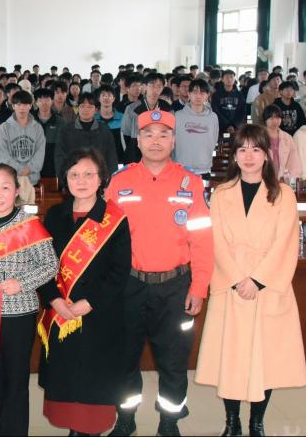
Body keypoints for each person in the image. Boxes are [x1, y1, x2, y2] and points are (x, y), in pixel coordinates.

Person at [194, 125, 306, 437]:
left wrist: (257, 280)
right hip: (230, 285)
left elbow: (286, 243)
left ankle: (257, 421)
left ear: (267, 155)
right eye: (242, 149)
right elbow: (214, 241)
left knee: (265, 358)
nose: (248, 156)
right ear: (234, 155)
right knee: (230, 356)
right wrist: (235, 278)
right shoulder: (221, 194)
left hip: (267, 286)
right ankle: (232, 421)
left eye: (256, 149)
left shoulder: (283, 194)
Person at [107, 110, 213, 437]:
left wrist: (199, 287)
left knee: (174, 362)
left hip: (175, 288)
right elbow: (104, 240)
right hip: (129, 287)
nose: (156, 141)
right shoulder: (119, 182)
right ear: (138, 140)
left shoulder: (191, 183)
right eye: (149, 134)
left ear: (174, 141)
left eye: (163, 134)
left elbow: (202, 240)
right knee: (124, 359)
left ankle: (169, 422)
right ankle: (126, 419)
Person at [38, 148, 132, 437]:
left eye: (89, 174)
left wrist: (90, 302)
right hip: (61, 313)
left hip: (99, 315)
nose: (81, 181)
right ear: (65, 179)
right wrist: (54, 299)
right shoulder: (54, 215)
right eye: (74, 174)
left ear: (102, 178)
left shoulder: (115, 219)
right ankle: (73, 430)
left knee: (94, 383)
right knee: (66, 379)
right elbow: (42, 264)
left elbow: (119, 270)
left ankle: (89, 431)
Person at [0, 164, 58, 436]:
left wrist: (22, 283)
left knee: (15, 380)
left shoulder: (29, 224)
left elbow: (50, 265)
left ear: (17, 191)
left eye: (5, 187)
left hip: (18, 315)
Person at [0, 90, 45, 205]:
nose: (22, 108)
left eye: (25, 104)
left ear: (30, 106)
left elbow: (40, 153)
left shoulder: (37, 128)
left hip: (32, 178)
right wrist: (19, 169)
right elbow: (2, 155)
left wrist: (29, 168)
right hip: (11, 178)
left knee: (28, 208)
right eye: (18, 104)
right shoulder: (5, 127)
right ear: (13, 106)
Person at [55, 92, 119, 178]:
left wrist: (110, 180)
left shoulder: (104, 130)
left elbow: (111, 157)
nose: (86, 110)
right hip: (74, 178)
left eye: (90, 107)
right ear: (77, 108)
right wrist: (65, 178)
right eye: (82, 106)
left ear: (96, 110)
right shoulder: (66, 131)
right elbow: (59, 157)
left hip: (99, 178)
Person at [172, 79, 219, 175]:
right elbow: (172, 141)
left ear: (207, 95)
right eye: (195, 92)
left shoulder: (213, 117)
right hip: (181, 169)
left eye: (202, 93)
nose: (198, 96)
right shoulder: (178, 116)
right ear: (189, 94)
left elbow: (214, 140)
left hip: (204, 168)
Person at [262, 105, 302, 182]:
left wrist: (289, 178)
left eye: (277, 117)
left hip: (283, 179)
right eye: (271, 118)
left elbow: (294, 161)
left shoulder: (287, 138)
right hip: (264, 178)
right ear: (265, 119)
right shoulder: (259, 137)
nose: (275, 121)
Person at [33, 88, 63, 179]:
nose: (44, 103)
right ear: (36, 102)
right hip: (32, 167)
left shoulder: (60, 122)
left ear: (52, 101)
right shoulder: (29, 120)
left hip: (53, 167)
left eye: (47, 99)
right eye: (40, 100)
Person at [212, 70, 246, 137]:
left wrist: (234, 125)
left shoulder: (239, 95)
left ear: (234, 79)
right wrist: (227, 125)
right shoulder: (216, 95)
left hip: (235, 127)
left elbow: (242, 111)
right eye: (227, 77)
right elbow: (215, 111)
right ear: (222, 79)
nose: (229, 79)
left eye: (231, 77)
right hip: (220, 126)